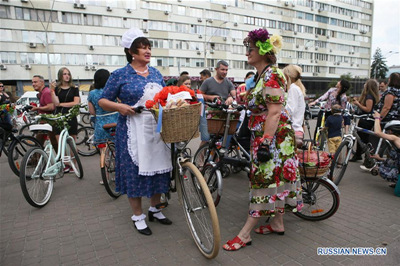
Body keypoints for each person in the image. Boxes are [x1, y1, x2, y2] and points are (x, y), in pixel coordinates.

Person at [222, 28, 302, 251]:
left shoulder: (273, 74)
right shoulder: (262, 75)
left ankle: (245, 234)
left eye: (251, 48)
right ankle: (277, 223)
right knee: (271, 179)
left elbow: (274, 112)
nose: (247, 52)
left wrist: (265, 142)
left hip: (273, 139)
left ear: (264, 51)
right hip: (268, 136)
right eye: (247, 48)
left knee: (263, 181)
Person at [98, 28, 172, 236]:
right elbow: (103, 100)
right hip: (132, 129)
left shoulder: (156, 73)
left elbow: (164, 95)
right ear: (132, 51)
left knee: (160, 168)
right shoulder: (120, 75)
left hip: (156, 129)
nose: (148, 51)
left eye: (149, 47)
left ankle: (155, 209)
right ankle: (138, 216)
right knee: (135, 172)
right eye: (143, 47)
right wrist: (120, 107)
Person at [87, 69, 118, 184]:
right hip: (115, 121)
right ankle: (118, 174)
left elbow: (91, 112)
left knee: (103, 151)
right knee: (117, 148)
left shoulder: (92, 94)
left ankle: (105, 177)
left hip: (101, 124)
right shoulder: (113, 91)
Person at [50, 67, 80, 173]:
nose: (67, 76)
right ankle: (66, 163)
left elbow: (76, 102)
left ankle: (73, 164)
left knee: (71, 142)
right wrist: (52, 91)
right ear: (60, 76)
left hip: (70, 116)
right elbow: (55, 103)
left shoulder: (74, 88)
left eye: (68, 74)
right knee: (60, 142)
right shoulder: (57, 89)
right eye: (64, 74)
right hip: (58, 117)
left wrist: (61, 104)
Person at [350, 79, 379, 161]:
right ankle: (359, 154)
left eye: (366, 83)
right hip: (367, 119)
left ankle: (363, 154)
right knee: (362, 137)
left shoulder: (369, 96)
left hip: (366, 120)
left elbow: (368, 109)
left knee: (362, 138)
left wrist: (358, 104)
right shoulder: (371, 95)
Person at [370, 111, 400, 191]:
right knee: (384, 163)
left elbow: (377, 133)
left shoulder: (396, 139)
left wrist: (377, 118)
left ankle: (397, 180)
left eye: (388, 131)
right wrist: (380, 158)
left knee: (379, 169)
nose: (387, 132)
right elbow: (396, 161)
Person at [30, 75, 57, 147]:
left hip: (48, 122)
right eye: (32, 82)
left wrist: (37, 108)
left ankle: (35, 156)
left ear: (42, 83)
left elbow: (51, 107)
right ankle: (35, 157)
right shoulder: (42, 93)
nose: (33, 84)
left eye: (35, 82)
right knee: (39, 143)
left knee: (53, 143)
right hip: (45, 122)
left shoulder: (46, 92)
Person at [283, 65, 306, 148]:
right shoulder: (296, 88)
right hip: (295, 129)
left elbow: (289, 110)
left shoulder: (293, 89)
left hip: (292, 130)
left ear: (287, 76)